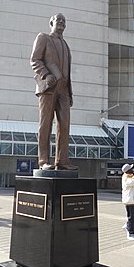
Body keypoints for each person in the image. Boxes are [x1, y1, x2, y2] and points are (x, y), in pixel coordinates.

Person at [30, 13, 77, 170]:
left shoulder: (66, 45)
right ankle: (43, 161)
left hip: (63, 90)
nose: (62, 22)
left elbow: (68, 73)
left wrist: (69, 93)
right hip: (48, 88)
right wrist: (46, 74)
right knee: (45, 124)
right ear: (51, 22)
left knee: (64, 125)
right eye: (59, 20)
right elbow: (34, 60)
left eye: (64, 20)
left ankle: (62, 161)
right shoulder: (43, 37)